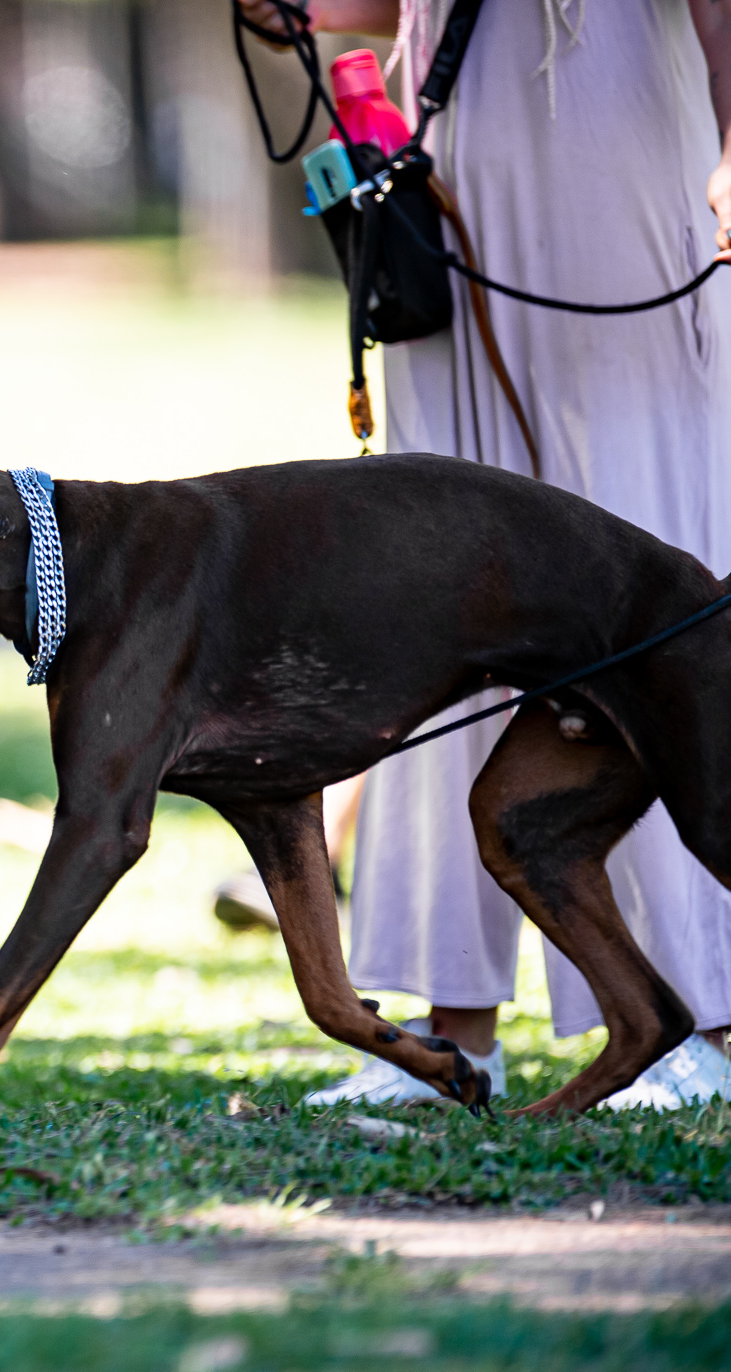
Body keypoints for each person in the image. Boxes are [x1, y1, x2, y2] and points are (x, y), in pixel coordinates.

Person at [238, 0, 731, 1108]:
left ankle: (697, 1015)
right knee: (434, 593)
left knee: (644, 575)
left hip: (626, 173)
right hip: (443, 187)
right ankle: (450, 1028)